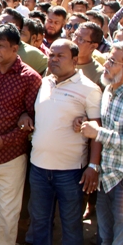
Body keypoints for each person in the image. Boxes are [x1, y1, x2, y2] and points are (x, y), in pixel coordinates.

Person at [0, 23, 42, 245]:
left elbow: (32, 120)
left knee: (8, 214)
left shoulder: (30, 78)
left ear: (16, 48)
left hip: (11, 157)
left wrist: (6, 140)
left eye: (1, 46)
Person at [28, 39, 102, 244]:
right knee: (39, 222)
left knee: (70, 225)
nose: (54, 60)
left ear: (75, 60)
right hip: (39, 168)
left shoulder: (90, 89)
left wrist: (93, 166)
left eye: (60, 56)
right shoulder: (44, 82)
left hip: (71, 172)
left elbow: (97, 131)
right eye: (51, 55)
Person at [80, 43, 123, 245]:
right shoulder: (108, 90)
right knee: (105, 236)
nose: (106, 64)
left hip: (121, 178)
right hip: (107, 176)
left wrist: (99, 133)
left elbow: (102, 133)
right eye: (108, 58)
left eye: (113, 62)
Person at [74, 22, 105, 88]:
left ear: (93, 46)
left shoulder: (99, 74)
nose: (74, 41)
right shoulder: (60, 61)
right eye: (74, 35)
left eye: (80, 39)